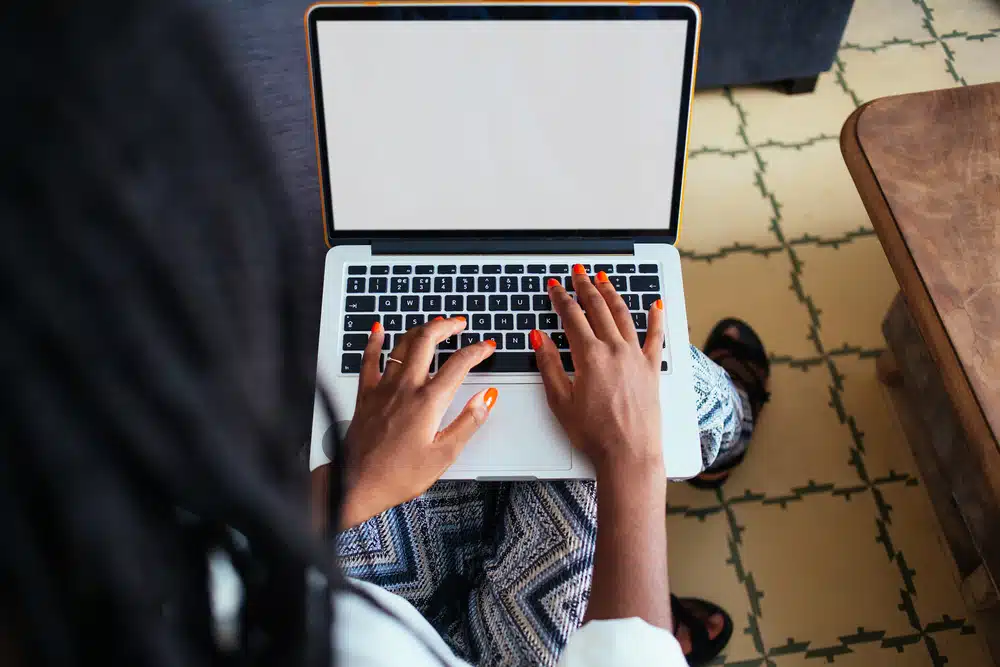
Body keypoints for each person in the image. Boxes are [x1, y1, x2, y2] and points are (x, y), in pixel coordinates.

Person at [0, 1, 770, 666]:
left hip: (344, 569)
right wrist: (631, 467)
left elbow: (195, 561)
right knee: (622, 396)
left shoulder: (86, 578)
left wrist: (351, 485)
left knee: (556, 365)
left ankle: (681, 462)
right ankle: (713, 440)